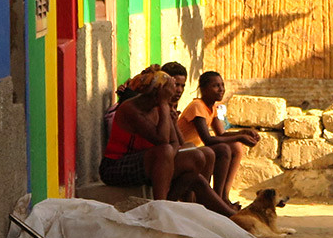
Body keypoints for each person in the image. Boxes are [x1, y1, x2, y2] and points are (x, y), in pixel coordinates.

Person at [98, 66, 235, 216]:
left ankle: (230, 217)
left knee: (199, 158)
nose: (178, 92)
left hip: (150, 164)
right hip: (115, 167)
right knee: (165, 151)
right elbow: (163, 141)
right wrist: (164, 105)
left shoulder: (158, 108)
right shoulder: (131, 109)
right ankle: (161, 209)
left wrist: (171, 157)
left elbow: (175, 143)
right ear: (157, 94)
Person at [178, 71, 260, 205]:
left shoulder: (213, 107)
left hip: (194, 150)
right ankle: (216, 198)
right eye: (215, 86)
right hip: (184, 151)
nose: (221, 89)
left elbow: (221, 134)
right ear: (203, 89)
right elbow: (208, 139)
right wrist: (240, 137)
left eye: (222, 85)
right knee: (223, 149)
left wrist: (244, 133)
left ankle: (223, 196)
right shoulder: (197, 106)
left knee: (236, 147)